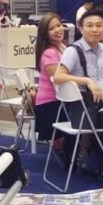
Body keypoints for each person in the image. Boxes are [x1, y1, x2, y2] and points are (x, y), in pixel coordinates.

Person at [53, 8, 103, 177]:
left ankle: (94, 161)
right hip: (85, 110)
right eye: (89, 25)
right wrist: (87, 81)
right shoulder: (73, 51)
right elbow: (58, 77)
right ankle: (95, 162)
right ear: (80, 28)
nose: (94, 29)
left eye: (98, 25)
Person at [33, 13, 67, 142]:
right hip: (50, 105)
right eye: (52, 28)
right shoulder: (49, 53)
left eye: (59, 25)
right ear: (45, 34)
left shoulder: (62, 47)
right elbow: (60, 78)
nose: (57, 30)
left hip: (60, 101)